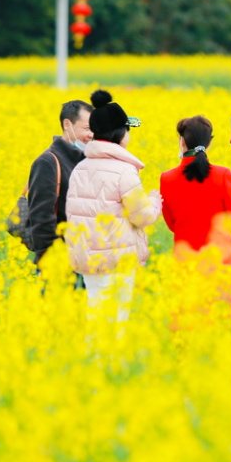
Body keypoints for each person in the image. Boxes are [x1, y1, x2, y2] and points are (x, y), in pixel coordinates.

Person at [65, 89, 161, 322]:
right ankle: (109, 358)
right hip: (116, 261)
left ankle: (95, 358)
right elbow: (142, 216)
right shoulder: (124, 170)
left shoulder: (81, 167)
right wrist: (154, 201)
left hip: (88, 258)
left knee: (95, 313)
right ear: (120, 133)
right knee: (116, 319)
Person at [160, 116, 231, 323]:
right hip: (223, 261)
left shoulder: (166, 178)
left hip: (187, 263)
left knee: (190, 323)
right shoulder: (223, 174)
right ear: (209, 142)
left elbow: (172, 224)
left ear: (182, 142)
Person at [27, 99, 93, 265]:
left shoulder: (86, 160)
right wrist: (50, 262)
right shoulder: (48, 162)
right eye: (87, 129)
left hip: (85, 261)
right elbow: (42, 219)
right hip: (59, 264)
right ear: (67, 124)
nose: (92, 134)